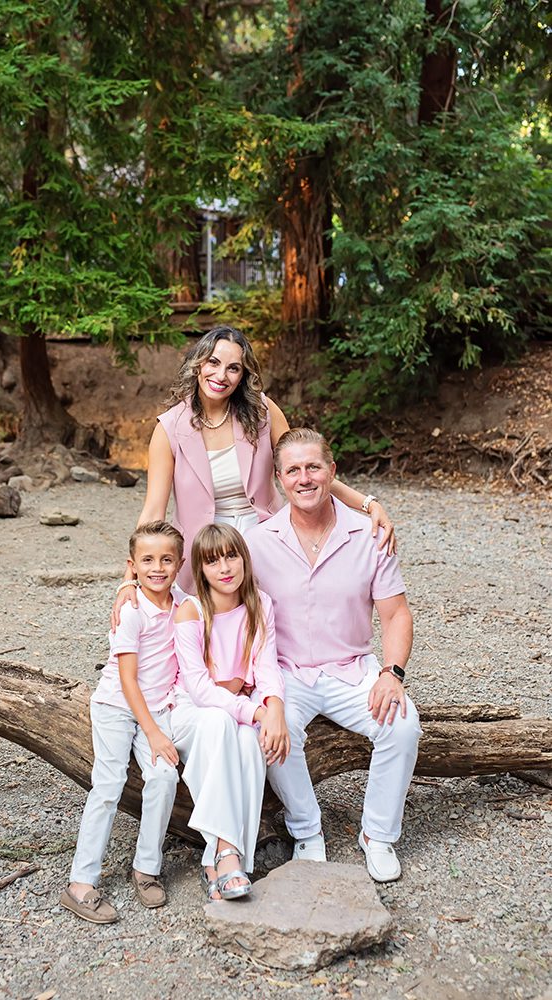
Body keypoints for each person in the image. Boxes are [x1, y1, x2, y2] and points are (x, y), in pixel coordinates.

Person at [112, 324, 395, 606]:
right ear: (198, 364)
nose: (220, 376)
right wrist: (130, 577)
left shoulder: (262, 412)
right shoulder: (169, 428)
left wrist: (368, 504)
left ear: (243, 375)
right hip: (205, 545)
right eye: (213, 362)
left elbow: (304, 471)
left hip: (266, 535)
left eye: (233, 368)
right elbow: (153, 510)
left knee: (276, 617)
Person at [246, 428, 421, 883]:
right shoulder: (258, 541)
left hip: (353, 668)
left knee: (403, 727)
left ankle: (378, 835)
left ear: (332, 472)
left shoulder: (369, 534)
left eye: (314, 467)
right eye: (293, 470)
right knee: (269, 735)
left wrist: (392, 673)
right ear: (280, 479)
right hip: (286, 673)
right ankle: (306, 831)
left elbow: (396, 613)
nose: (304, 478)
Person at [60, 521, 185, 923]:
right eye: (147, 560)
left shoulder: (183, 605)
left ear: (180, 564)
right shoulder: (131, 610)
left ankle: (146, 867)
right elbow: (128, 680)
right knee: (109, 783)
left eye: (167, 559)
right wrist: (152, 733)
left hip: (159, 705)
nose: (158, 568)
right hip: (118, 705)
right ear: (132, 566)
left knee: (164, 777)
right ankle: (81, 882)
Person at [172, 523, 289, 901]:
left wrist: (274, 709)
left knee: (249, 744)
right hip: (194, 710)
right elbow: (200, 688)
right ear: (200, 569)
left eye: (231, 556)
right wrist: (255, 711)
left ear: (243, 558)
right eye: (212, 561)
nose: (224, 567)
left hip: (238, 708)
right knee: (224, 723)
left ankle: (221, 861)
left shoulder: (260, 603)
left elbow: (267, 666)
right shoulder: (190, 612)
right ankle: (226, 851)